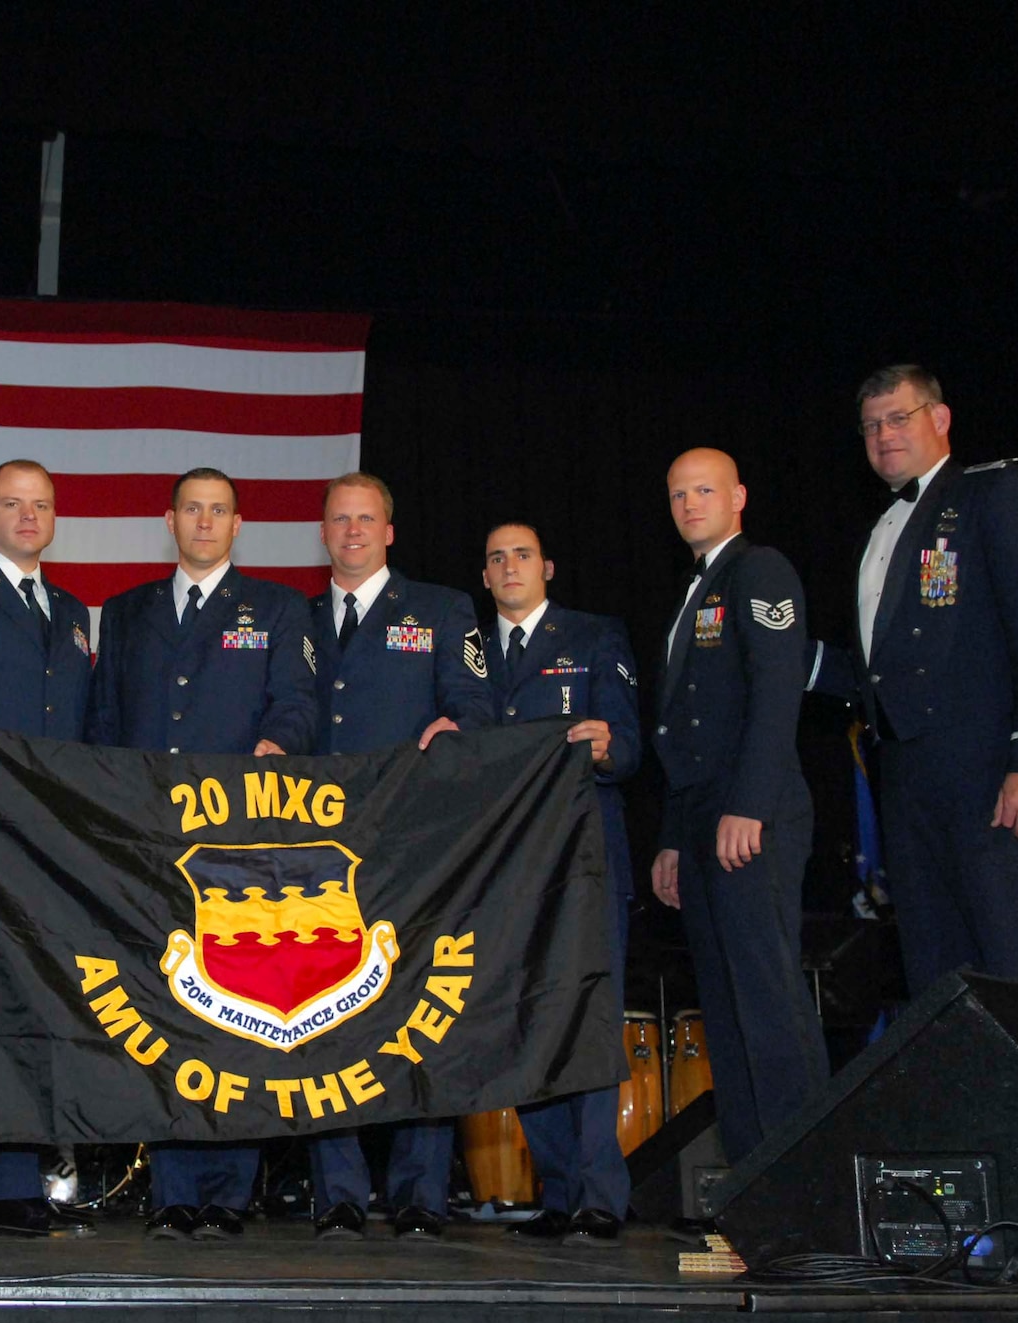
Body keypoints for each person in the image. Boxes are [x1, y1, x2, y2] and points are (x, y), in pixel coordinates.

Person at [87, 467, 317, 1240]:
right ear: (171, 519)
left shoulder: (280, 609)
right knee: (167, 1006)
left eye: (219, 510)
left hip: (241, 835)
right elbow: (104, 724)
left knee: (239, 1008)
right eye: (193, 508)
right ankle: (175, 1187)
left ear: (237, 523)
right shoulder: (124, 613)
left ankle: (231, 1188)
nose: (205, 521)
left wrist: (276, 743)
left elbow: (297, 701)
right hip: (151, 837)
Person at [808, 366, 1018, 1015]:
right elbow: (888, 677)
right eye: (871, 425)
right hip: (906, 785)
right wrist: (803, 663)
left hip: (989, 776)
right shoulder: (876, 534)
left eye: (898, 417)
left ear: (940, 417)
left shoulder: (996, 493)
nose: (884, 434)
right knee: (942, 981)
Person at [302, 473, 492, 1241]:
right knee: (322, 1017)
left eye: (366, 518)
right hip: (318, 846)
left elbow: (478, 704)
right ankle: (338, 1191)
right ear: (323, 531)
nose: (352, 531)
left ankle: (419, 1190)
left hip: (415, 840)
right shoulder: (300, 616)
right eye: (339, 519)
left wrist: (455, 727)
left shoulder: (443, 609)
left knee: (421, 1014)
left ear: (389, 529)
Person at [650, 448, 829, 1163]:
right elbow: (681, 729)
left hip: (749, 813)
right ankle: (756, 1187)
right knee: (724, 1009)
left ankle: (804, 1181)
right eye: (678, 494)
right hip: (700, 818)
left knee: (767, 1001)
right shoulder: (693, 590)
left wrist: (749, 805)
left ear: (739, 495)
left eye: (704, 489)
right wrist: (669, 835)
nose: (690, 503)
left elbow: (778, 689)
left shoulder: (759, 571)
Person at [479, 521, 639, 1247]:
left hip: (585, 859)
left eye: (521, 555)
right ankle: (558, 1189)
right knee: (526, 1025)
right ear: (485, 579)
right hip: (509, 868)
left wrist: (608, 747)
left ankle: (602, 1194)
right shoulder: (473, 651)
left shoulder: (594, 635)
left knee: (591, 1022)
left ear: (547, 565)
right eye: (495, 559)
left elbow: (631, 745)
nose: (509, 567)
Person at [0, 459, 96, 1237]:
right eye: (11, 503)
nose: (26, 515)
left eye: (40, 504)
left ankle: (52, 1171)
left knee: (52, 1000)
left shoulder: (73, 608)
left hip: (55, 834)